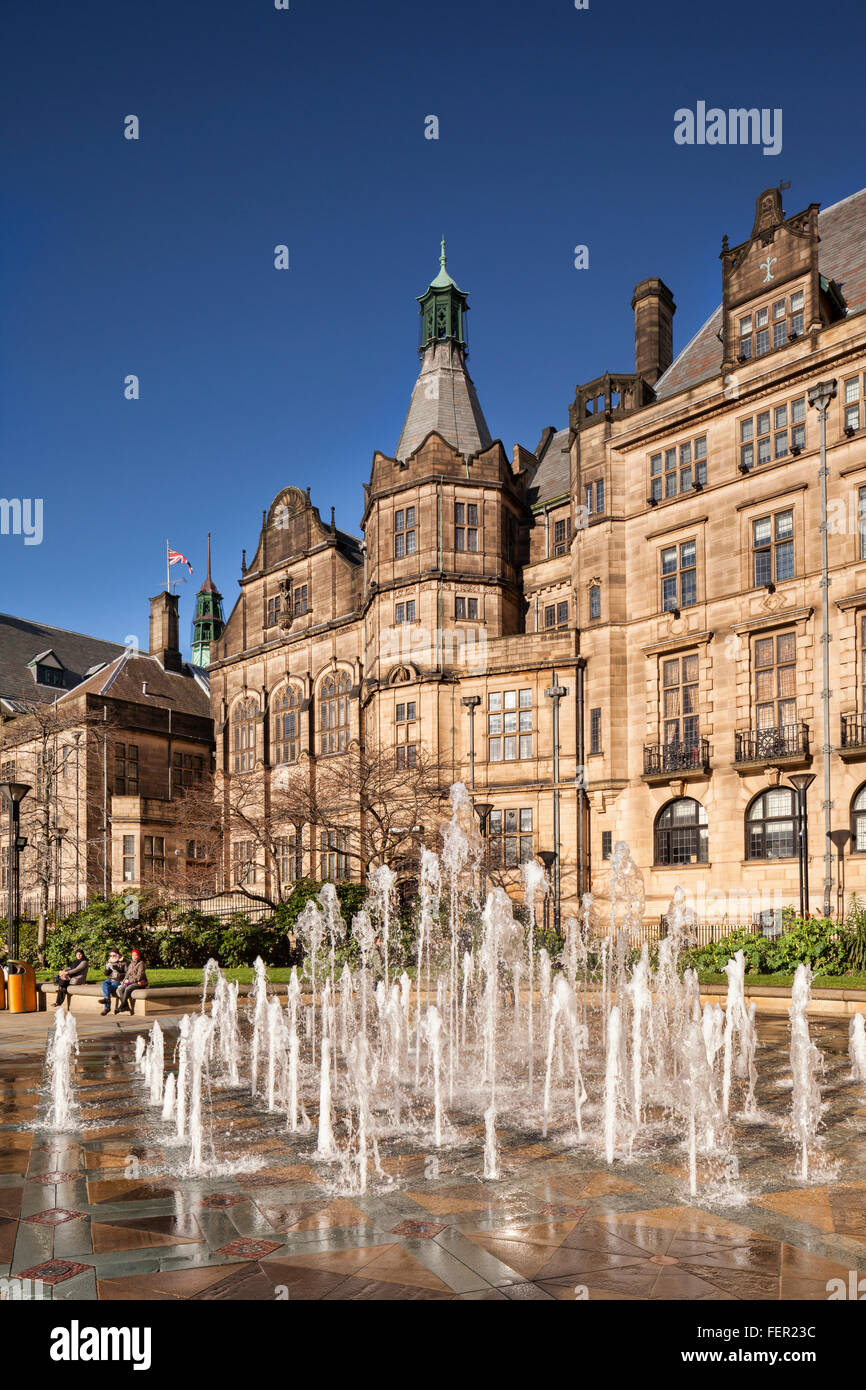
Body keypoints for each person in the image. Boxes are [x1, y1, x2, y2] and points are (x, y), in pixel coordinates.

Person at [113, 948, 148, 1014]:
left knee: (128, 989)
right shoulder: (131, 963)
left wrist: (129, 982)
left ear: (139, 956)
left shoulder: (141, 964)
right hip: (130, 982)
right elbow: (127, 974)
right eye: (132, 955)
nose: (134, 957)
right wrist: (124, 981)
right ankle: (125, 1006)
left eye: (135, 955)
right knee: (121, 989)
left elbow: (139, 976)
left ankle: (121, 1006)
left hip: (139, 982)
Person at [99, 948, 128, 1016]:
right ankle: (107, 999)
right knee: (104, 983)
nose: (112, 957)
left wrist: (119, 970)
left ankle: (107, 1008)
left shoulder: (124, 962)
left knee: (108, 988)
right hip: (110, 979)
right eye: (111, 956)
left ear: (118, 955)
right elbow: (106, 974)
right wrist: (107, 970)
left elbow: (127, 973)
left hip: (118, 980)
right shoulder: (110, 961)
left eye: (114, 955)